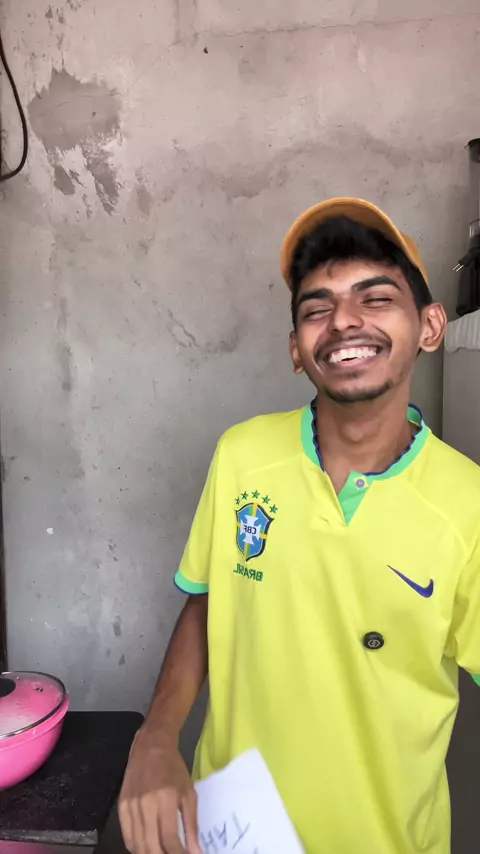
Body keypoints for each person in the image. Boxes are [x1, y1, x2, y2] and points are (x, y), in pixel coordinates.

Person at [119, 198, 480, 854]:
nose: (343, 320)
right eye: (317, 308)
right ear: (296, 350)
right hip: (230, 836)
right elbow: (208, 602)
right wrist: (155, 738)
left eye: (375, 298)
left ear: (430, 326)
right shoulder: (242, 456)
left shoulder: (468, 505)